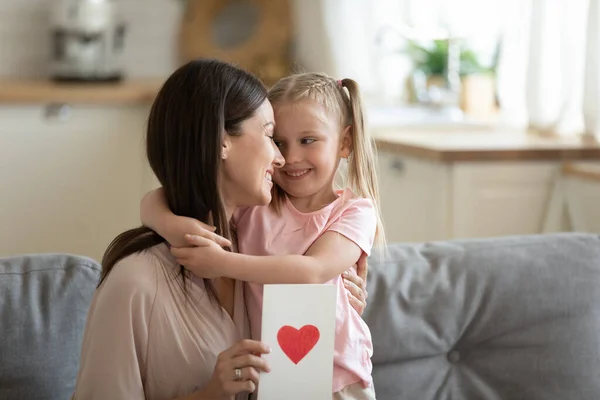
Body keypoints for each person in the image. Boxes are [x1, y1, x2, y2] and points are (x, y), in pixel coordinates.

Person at [72, 59, 369, 400]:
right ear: (222, 142)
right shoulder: (134, 284)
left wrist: (338, 305)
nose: (281, 158)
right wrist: (209, 394)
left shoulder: (257, 246)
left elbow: (311, 276)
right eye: (272, 137)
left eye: (304, 140)